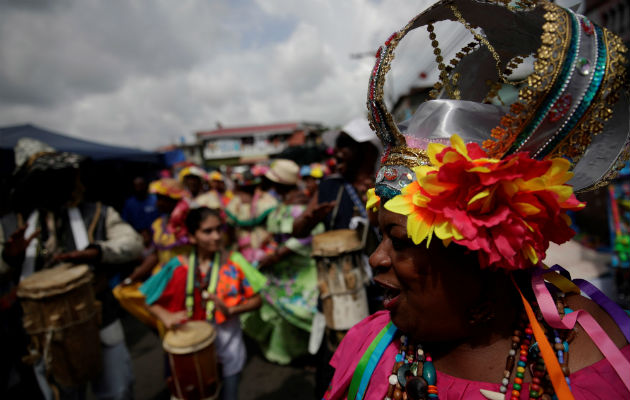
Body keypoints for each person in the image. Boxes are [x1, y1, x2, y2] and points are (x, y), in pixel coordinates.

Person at [325, 1, 629, 399]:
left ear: (480, 253)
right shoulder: (372, 348)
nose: (376, 259)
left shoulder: (595, 352)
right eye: (382, 239)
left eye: (399, 240)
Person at [0, 138, 143, 400]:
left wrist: (97, 252)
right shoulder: (11, 224)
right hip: (44, 334)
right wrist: (9, 257)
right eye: (39, 178)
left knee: (117, 390)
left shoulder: (97, 213)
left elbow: (132, 243)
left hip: (100, 318)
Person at [140, 207, 265, 400]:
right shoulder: (177, 266)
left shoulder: (234, 261)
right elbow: (148, 299)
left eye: (219, 229)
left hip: (229, 351)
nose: (216, 236)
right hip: (192, 352)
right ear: (191, 237)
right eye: (207, 231)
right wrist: (166, 316)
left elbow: (258, 300)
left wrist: (231, 309)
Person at [241, 159, 324, 364]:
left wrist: (278, 254)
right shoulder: (283, 202)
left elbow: (309, 237)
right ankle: (288, 351)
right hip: (281, 270)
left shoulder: (301, 207)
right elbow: (278, 233)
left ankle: (308, 355)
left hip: (301, 271)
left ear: (281, 183)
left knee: (301, 311)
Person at [225, 169, 278, 265]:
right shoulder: (236, 201)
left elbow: (273, 227)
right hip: (242, 246)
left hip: (264, 245)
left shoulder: (266, 199)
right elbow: (230, 226)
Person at [121, 176, 160, 247]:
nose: (139, 188)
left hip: (156, 235)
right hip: (136, 237)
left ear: (145, 185)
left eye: (141, 185)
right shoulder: (129, 203)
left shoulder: (155, 200)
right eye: (136, 186)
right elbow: (125, 222)